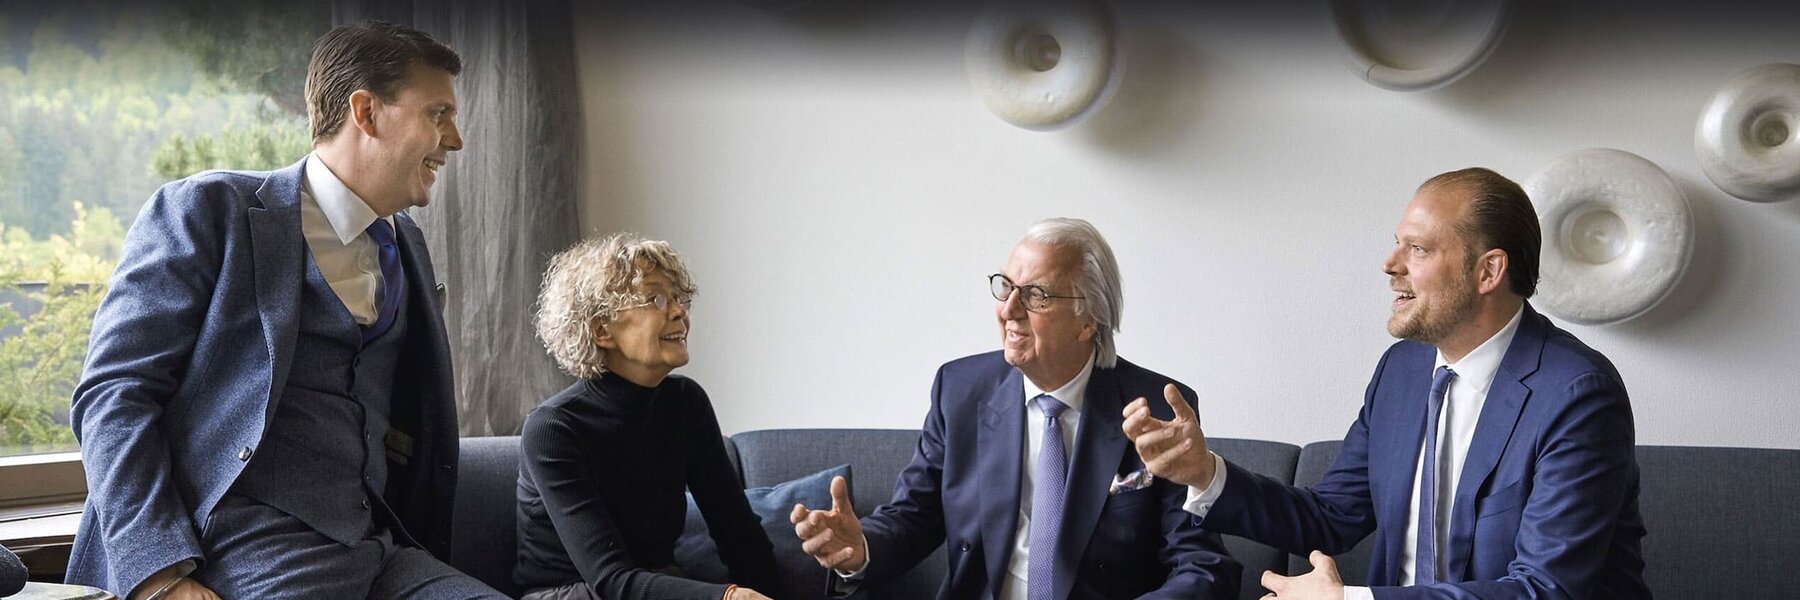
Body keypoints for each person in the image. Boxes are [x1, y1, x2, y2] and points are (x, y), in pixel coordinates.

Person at [68, 20, 506, 599]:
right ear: (367, 113)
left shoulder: (408, 245)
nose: (456, 139)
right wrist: (160, 576)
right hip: (235, 549)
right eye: (438, 114)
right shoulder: (207, 211)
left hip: (379, 550)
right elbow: (113, 394)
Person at [1125, 168, 1649, 599]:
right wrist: (1204, 471)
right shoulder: (1402, 371)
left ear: (1488, 271)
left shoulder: (1577, 394)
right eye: (1397, 245)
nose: (1390, 265)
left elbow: (1545, 590)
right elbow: (1330, 517)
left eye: (1418, 250)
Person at [791, 218, 1241, 599]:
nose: (1008, 310)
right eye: (1006, 287)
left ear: (1090, 321)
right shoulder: (961, 390)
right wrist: (860, 547)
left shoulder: (1157, 407)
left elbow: (1201, 564)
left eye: (1036, 295)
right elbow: (914, 516)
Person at [515, 234, 779, 600]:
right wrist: (728, 597)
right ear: (601, 329)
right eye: (656, 298)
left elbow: (740, 537)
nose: (678, 312)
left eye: (678, 298)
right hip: (573, 593)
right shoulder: (553, 428)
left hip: (651, 584)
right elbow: (609, 579)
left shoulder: (687, 404)